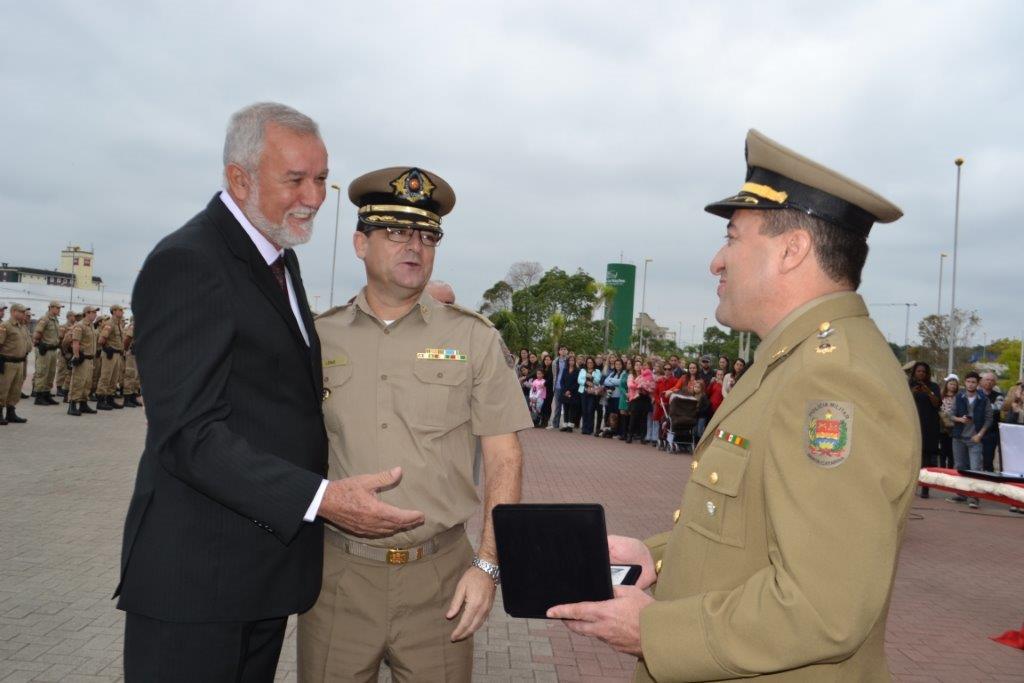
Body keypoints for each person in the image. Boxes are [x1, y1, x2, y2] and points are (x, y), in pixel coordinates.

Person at [548, 129, 918, 681]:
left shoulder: (831, 381)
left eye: (733, 237)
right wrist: (657, 559)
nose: (716, 261)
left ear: (792, 250)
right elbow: (748, 535)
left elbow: (823, 608)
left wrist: (652, 630)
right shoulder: (790, 364)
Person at [116, 103, 425, 682]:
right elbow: (186, 434)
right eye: (296, 179)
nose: (314, 196)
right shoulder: (190, 262)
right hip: (197, 583)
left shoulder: (276, 256)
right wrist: (321, 499)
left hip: (255, 576)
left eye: (322, 179)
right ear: (239, 178)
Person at [299, 166, 531, 682]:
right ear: (361, 242)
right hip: (338, 578)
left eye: (428, 236)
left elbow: (504, 458)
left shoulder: (474, 338)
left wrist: (488, 567)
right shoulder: (319, 340)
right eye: (397, 231)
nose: (415, 247)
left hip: (440, 580)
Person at [950, 371, 992, 508]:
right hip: (959, 437)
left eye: (973, 382)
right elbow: (950, 415)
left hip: (975, 438)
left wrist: (980, 434)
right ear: (965, 382)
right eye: (968, 381)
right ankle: (961, 493)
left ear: (977, 383)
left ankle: (974, 497)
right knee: (959, 466)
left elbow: (989, 419)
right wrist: (959, 419)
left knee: (975, 468)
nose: (971, 384)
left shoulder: (983, 399)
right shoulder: (959, 396)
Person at [909, 361, 941, 498]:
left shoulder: (933, 386)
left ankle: (925, 489)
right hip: (913, 424)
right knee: (912, 456)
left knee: (927, 457)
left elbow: (937, 403)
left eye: (924, 371)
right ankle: (910, 488)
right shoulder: (908, 385)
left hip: (929, 425)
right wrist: (911, 392)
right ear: (914, 372)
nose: (921, 373)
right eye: (918, 371)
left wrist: (928, 392)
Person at [0, 303, 32, 425]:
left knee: (15, 390)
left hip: (19, 362)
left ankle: (11, 412)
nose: (24, 314)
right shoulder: (5, 326)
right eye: (22, 311)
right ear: (14, 312)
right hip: (8, 362)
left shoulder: (21, 326)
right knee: (3, 388)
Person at [66, 306, 99, 417]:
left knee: (87, 383)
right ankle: (72, 405)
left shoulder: (91, 326)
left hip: (90, 359)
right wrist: (77, 356)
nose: (95, 315)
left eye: (95, 313)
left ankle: (83, 404)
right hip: (83, 358)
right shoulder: (80, 326)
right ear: (87, 313)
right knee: (78, 381)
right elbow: (76, 342)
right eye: (93, 312)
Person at [31, 300, 64, 405]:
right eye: (58, 308)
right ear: (51, 308)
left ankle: (46, 394)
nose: (59, 310)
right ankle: (39, 396)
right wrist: (39, 344)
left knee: (51, 373)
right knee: (43, 373)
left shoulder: (55, 320)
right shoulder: (44, 319)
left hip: (53, 350)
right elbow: (37, 333)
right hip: (45, 350)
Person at [95, 304, 127, 410]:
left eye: (122, 310)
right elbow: (101, 340)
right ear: (113, 311)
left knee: (114, 378)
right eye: (120, 310)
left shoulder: (118, 324)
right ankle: (100, 400)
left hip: (117, 354)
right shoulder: (109, 324)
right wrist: (106, 348)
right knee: (105, 377)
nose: (122, 312)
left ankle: (110, 399)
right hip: (110, 354)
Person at [978, 371, 1004, 472]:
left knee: (988, 462)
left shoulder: (999, 396)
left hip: (991, 434)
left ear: (995, 383)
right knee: (975, 462)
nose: (989, 382)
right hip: (975, 431)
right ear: (981, 381)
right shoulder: (975, 393)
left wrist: (979, 407)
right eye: (987, 379)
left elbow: (997, 408)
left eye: (992, 380)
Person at [938, 376, 959, 468]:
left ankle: (950, 467)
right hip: (942, 425)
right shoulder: (941, 396)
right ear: (947, 384)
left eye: (955, 384)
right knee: (943, 448)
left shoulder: (958, 397)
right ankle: (942, 467)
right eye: (951, 384)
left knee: (952, 450)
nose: (953, 386)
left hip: (953, 426)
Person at [579, 356, 603, 435]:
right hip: (584, 392)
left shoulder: (597, 371)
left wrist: (591, 377)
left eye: (591, 362)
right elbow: (579, 379)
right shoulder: (582, 370)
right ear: (586, 363)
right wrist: (586, 382)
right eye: (588, 362)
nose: (590, 364)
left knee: (590, 410)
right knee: (584, 410)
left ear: (594, 363)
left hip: (592, 392)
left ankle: (590, 428)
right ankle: (584, 428)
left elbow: (598, 380)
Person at [549, 345, 569, 430]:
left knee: (566, 406)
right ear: (559, 351)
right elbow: (554, 375)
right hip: (557, 386)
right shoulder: (555, 362)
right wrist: (554, 386)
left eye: (565, 349)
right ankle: (555, 424)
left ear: (567, 351)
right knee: (558, 405)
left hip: (566, 386)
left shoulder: (569, 361)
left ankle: (566, 424)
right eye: (561, 349)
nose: (563, 351)